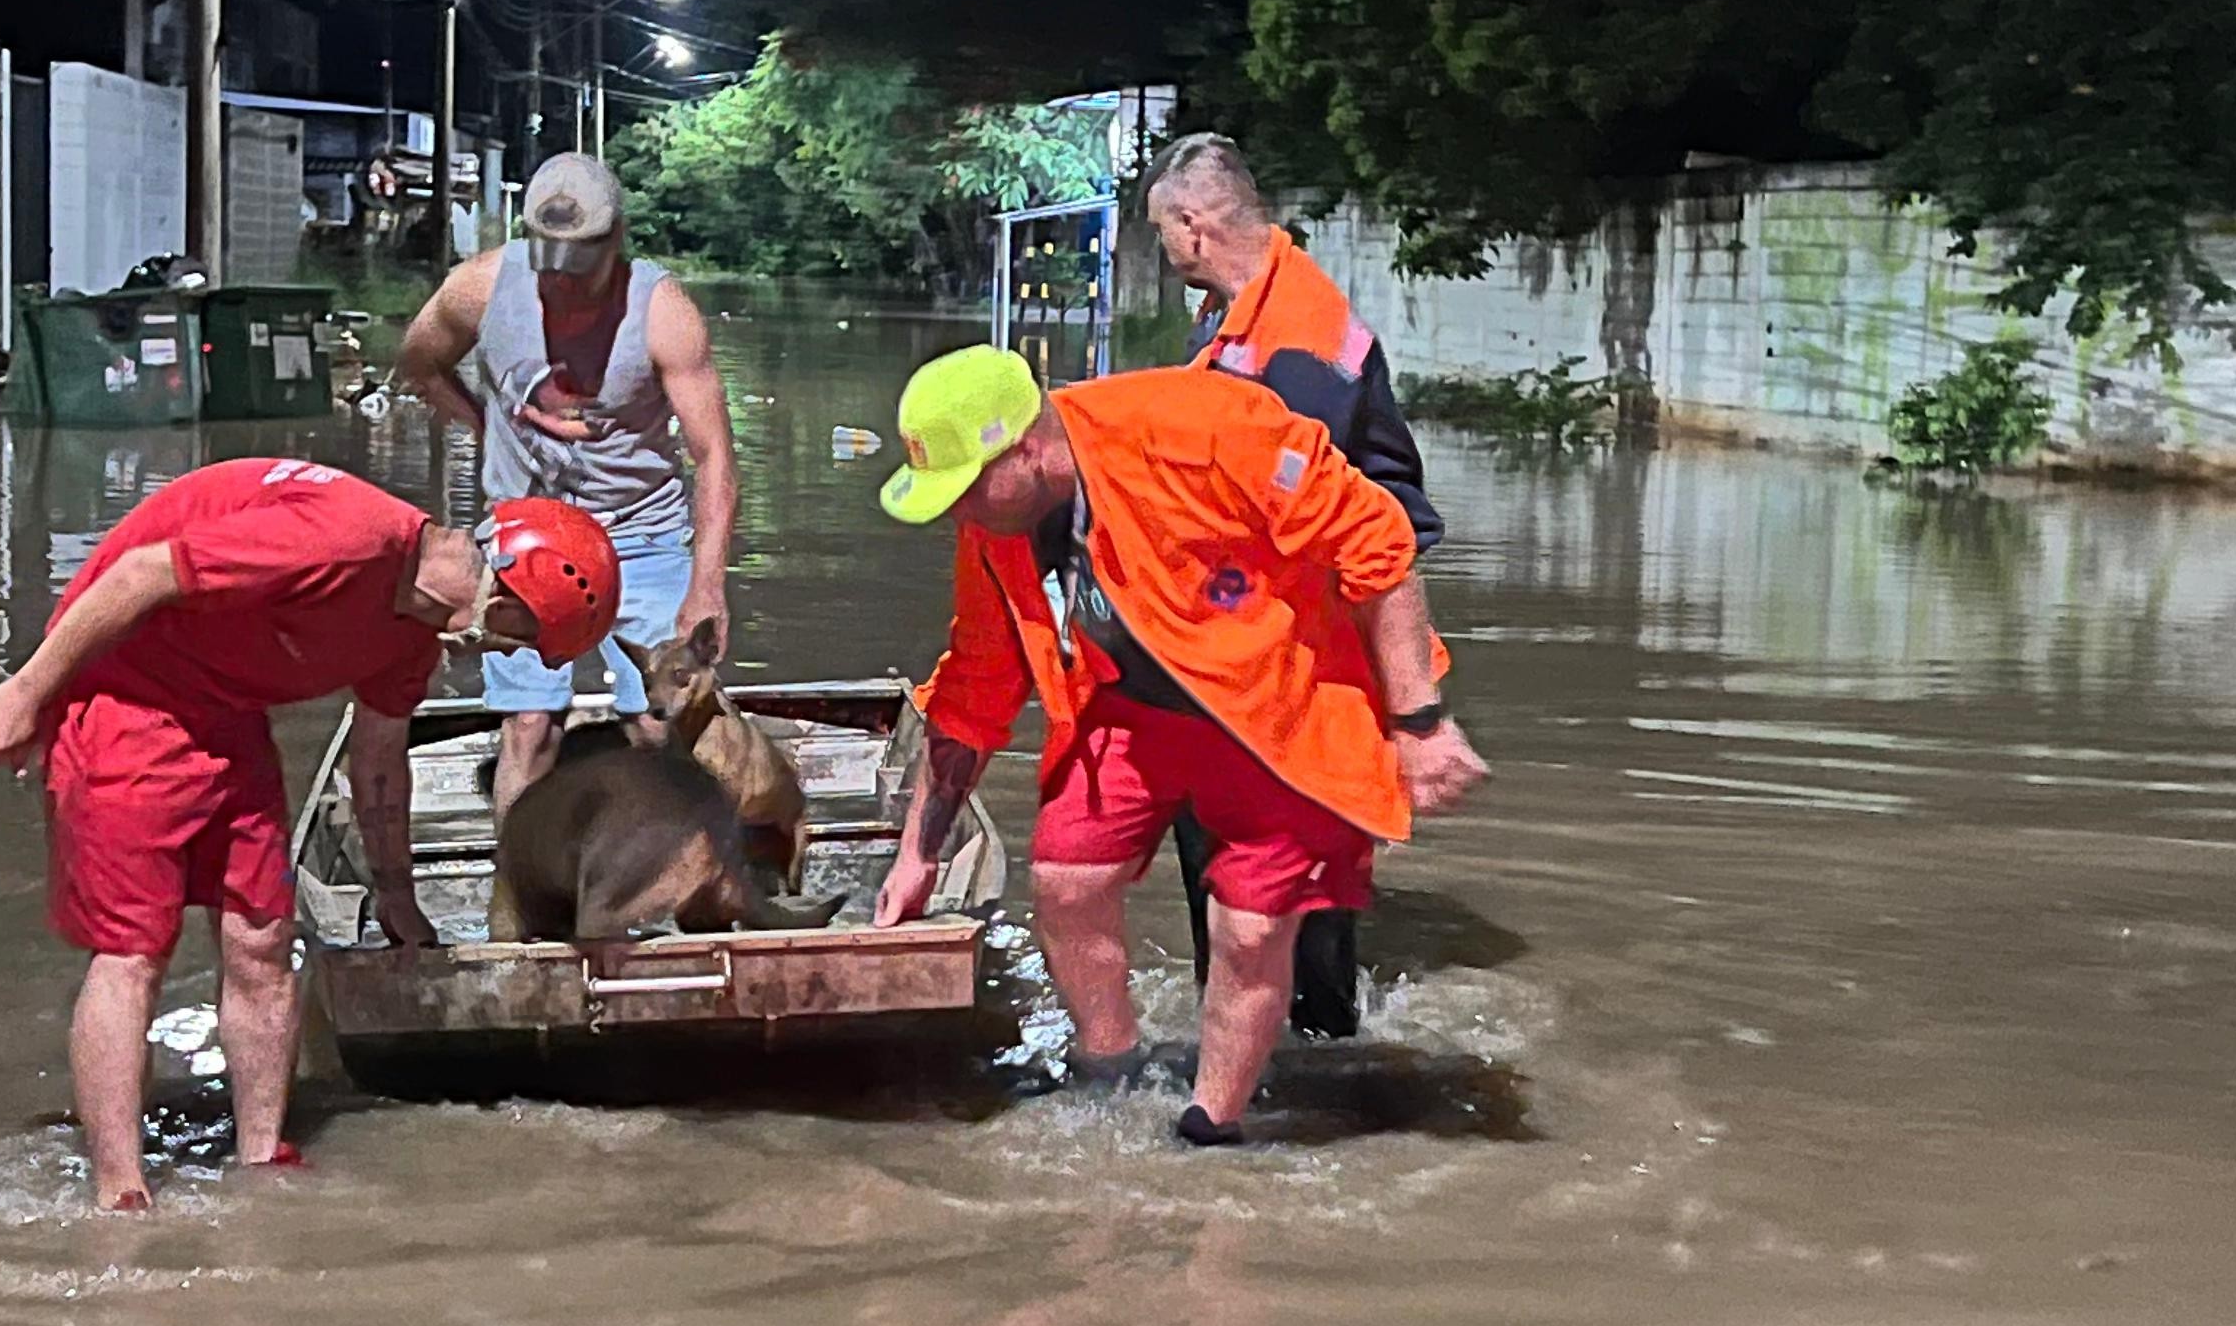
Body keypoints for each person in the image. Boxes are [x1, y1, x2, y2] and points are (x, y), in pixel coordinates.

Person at [870, 346, 1488, 1144]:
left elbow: (1380, 544)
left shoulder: (1207, 430)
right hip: (1134, 711)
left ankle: (1211, 1129)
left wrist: (1419, 725)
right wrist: (920, 849)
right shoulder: (1001, 520)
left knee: (1253, 930)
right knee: (1064, 877)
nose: (959, 516)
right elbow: (977, 682)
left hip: (1287, 699)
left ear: (1024, 448)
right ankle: (1108, 1072)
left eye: (964, 491)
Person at [0, 460, 617, 1215]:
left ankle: (262, 1158)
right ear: (508, 590)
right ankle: (121, 1192)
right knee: (135, 949)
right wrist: (28, 691)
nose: (508, 654)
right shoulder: (343, 539)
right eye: (523, 637)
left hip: (228, 716)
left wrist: (397, 894)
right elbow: (140, 572)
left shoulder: (410, 637)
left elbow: (378, 762)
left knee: (263, 939)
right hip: (126, 700)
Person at [1145, 130, 1447, 1043]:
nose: (1165, 255)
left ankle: (1307, 1069)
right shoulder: (1239, 315)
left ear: (1195, 226)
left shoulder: (1297, 345)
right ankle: (1249, 1041)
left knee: (1285, 867)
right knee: (1229, 855)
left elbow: (1312, 523)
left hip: (1305, 653)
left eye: (1165, 234)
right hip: (1262, 643)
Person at [393, 150, 738, 818]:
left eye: (583, 276)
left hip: (640, 529)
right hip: (528, 535)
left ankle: (664, 881)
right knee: (529, 725)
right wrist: (486, 427)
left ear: (617, 241)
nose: (567, 295)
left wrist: (708, 583)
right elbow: (419, 363)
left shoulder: (662, 312)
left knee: (657, 723)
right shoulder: (481, 286)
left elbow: (715, 457)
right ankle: (516, 897)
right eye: (554, 277)